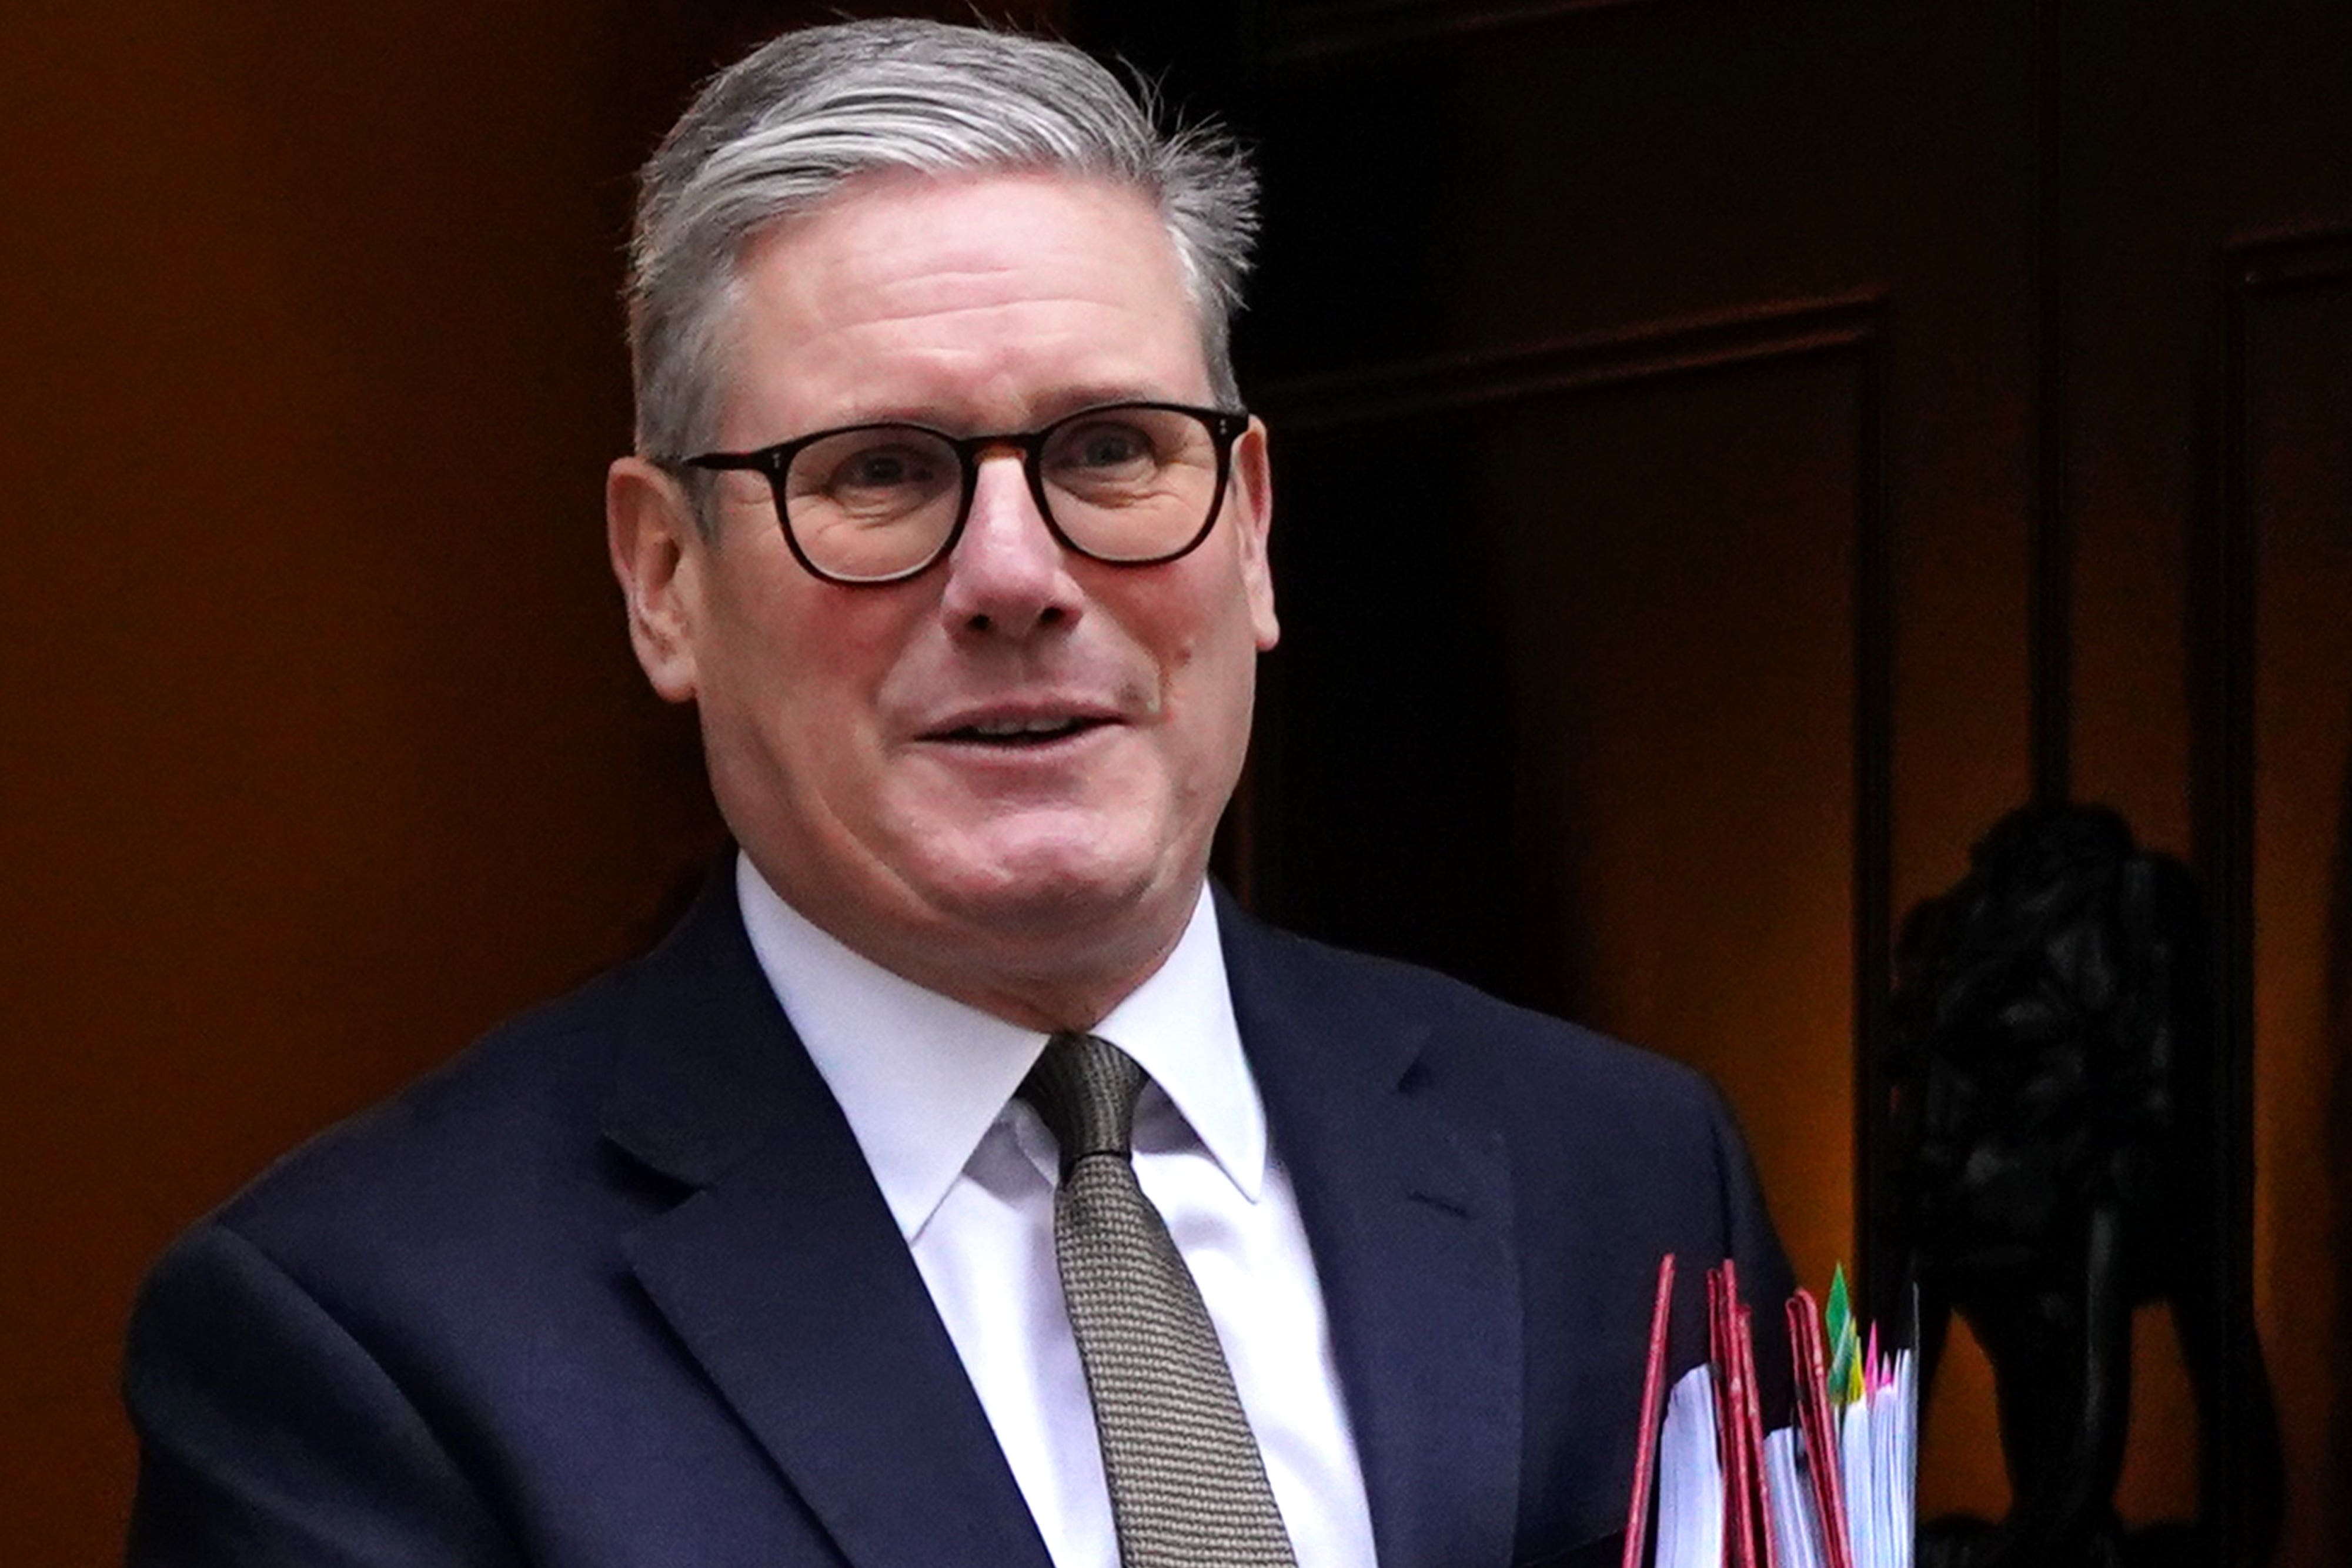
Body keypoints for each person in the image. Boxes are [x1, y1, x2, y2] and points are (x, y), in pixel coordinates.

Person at [122, 19, 1791, 1568]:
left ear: (1255, 526)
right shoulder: (366, 1339)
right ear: (662, 582)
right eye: (878, 471)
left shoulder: (1623, 1177)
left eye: (1113, 450)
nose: (1017, 574)